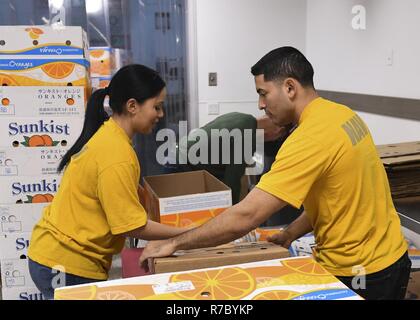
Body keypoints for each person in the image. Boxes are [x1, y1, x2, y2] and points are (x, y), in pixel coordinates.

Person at [139, 47, 411, 300]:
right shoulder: (343, 115)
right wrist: (290, 232)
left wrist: (174, 243)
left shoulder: (310, 137)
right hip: (393, 258)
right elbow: (335, 201)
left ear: (290, 87)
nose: (260, 104)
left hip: (360, 272)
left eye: (263, 93)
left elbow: (247, 215)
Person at [28, 64, 188, 299]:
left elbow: (123, 193)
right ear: (132, 106)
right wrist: (187, 234)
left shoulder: (111, 136)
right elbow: (132, 226)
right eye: (157, 107)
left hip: (56, 256)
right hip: (65, 263)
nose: (161, 115)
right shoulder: (116, 153)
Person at [172, 112, 287, 204]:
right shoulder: (247, 136)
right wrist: (234, 213)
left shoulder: (240, 117)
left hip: (176, 155)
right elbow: (232, 181)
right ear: (278, 131)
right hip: (183, 166)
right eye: (276, 139)